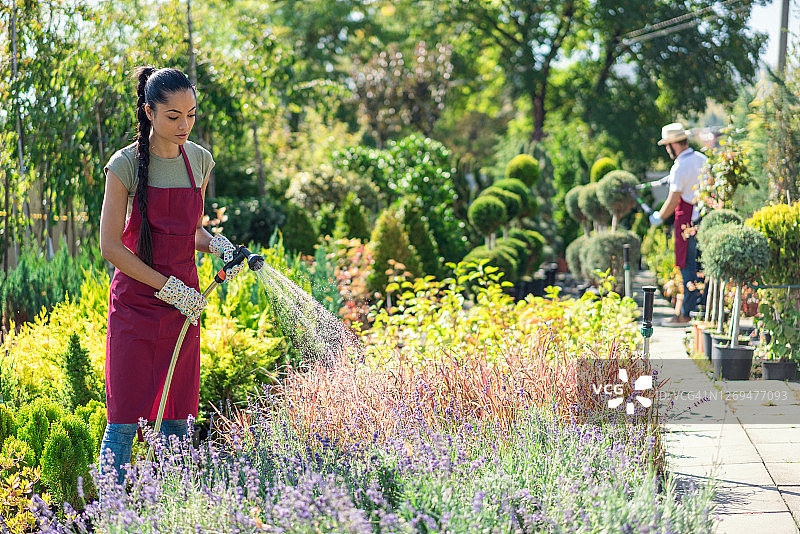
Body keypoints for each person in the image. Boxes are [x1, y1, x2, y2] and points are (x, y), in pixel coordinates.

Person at [98, 66, 242, 483]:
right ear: (148, 112)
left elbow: (190, 230)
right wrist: (167, 288)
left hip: (184, 306)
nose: (184, 125)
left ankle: (173, 509)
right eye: (173, 116)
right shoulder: (123, 165)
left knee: (177, 417)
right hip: (137, 305)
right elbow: (111, 247)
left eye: (191, 115)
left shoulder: (199, 160)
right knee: (123, 419)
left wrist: (221, 248)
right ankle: (112, 516)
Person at [649, 122, 707, 325]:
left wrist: (659, 217)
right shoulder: (702, 159)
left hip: (687, 222)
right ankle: (699, 312)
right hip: (703, 219)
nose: (667, 149)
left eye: (668, 145)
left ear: (675, 144)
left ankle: (685, 314)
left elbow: (673, 200)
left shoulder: (680, 167)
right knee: (701, 266)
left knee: (687, 267)